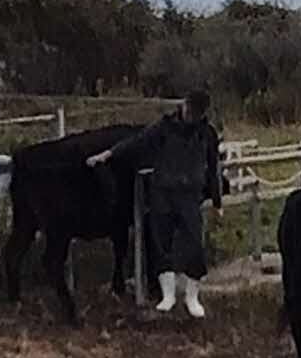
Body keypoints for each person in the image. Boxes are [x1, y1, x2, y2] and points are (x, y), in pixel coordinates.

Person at [94, 89, 222, 320]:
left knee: (194, 243)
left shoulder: (207, 133)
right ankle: (168, 294)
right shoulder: (165, 127)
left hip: (190, 195)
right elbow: (137, 142)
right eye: (190, 110)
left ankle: (192, 297)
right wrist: (109, 154)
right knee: (161, 243)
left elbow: (213, 167)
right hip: (163, 191)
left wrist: (216, 199)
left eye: (196, 113)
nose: (191, 115)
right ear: (184, 105)